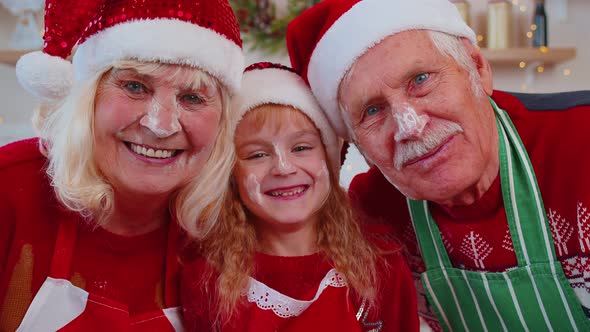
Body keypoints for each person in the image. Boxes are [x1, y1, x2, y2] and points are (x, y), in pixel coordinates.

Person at [286, 0, 590, 331]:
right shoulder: (370, 216)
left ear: (477, 68)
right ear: (358, 144)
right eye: (372, 111)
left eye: (420, 79)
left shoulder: (581, 143)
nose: (409, 126)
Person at [0, 0, 244, 330]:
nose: (162, 124)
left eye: (192, 98)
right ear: (88, 97)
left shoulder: (234, 225)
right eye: (134, 86)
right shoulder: (10, 187)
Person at [180, 62, 419, 331]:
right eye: (257, 154)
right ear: (231, 174)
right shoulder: (206, 280)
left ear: (328, 160)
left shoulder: (381, 268)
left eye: (301, 147)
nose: (284, 167)